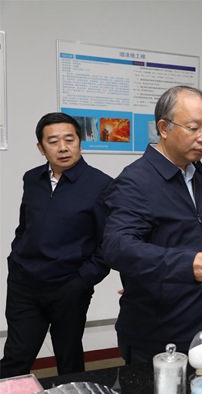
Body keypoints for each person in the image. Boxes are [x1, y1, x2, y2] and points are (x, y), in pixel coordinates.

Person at [103, 86, 202, 364]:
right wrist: (181, 265)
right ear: (163, 127)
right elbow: (117, 246)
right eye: (193, 128)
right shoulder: (135, 181)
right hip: (155, 327)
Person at [0, 113, 112, 378]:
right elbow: (24, 227)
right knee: (16, 356)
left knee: (68, 358)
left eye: (69, 140)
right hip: (25, 284)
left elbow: (108, 244)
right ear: (41, 148)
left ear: (80, 142)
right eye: (53, 142)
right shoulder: (32, 179)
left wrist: (81, 281)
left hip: (68, 287)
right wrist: (15, 261)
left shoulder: (101, 184)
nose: (63, 148)